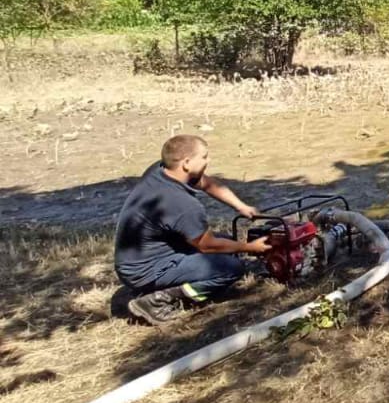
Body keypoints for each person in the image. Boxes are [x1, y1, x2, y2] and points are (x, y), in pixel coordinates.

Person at [114, 134, 271, 325]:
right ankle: (158, 301)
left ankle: (164, 283)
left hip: (140, 257)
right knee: (230, 269)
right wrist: (250, 247)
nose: (208, 161)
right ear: (187, 163)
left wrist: (241, 206)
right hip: (144, 270)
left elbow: (208, 183)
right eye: (204, 157)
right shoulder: (181, 203)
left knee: (228, 244)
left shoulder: (162, 170)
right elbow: (207, 245)